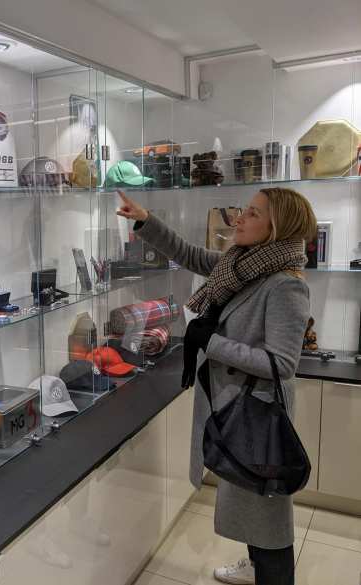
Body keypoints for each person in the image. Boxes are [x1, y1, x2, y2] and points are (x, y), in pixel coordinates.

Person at [117, 187, 317, 585]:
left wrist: (210, 342)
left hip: (257, 412)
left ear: (277, 228)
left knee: (267, 516)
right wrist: (145, 221)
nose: (239, 217)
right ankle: (254, 566)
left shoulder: (285, 286)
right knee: (247, 498)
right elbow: (191, 255)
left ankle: (271, 573)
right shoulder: (243, 266)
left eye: (254, 213)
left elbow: (281, 364)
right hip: (234, 406)